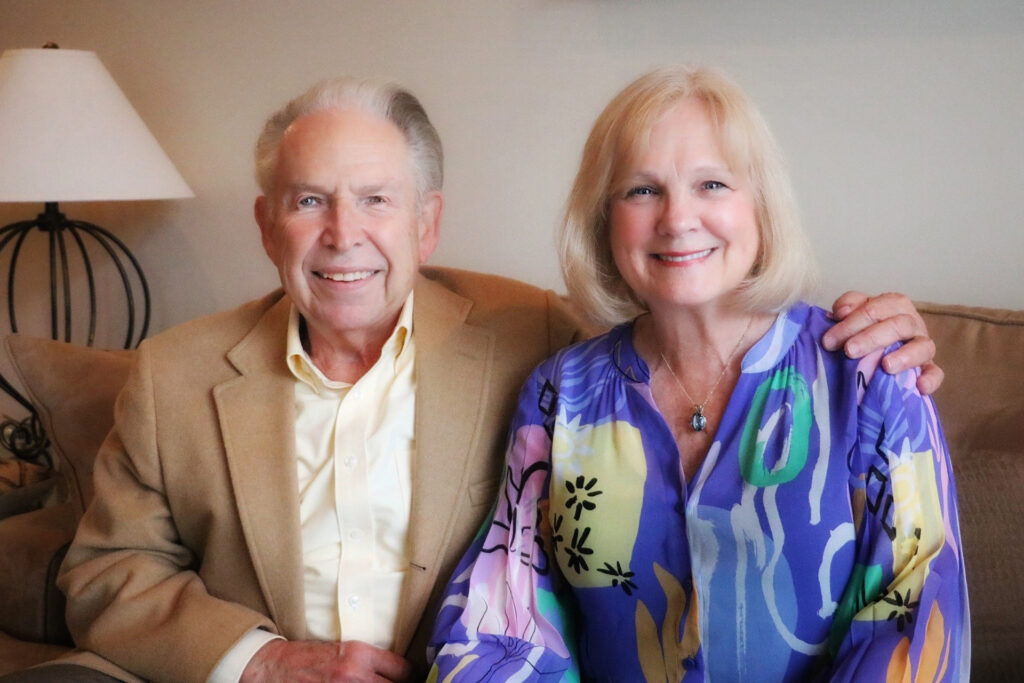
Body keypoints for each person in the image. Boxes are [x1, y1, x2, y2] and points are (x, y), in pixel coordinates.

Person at [31, 76, 940, 683]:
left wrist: (886, 340)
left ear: (428, 224)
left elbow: (915, 622)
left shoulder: (533, 339)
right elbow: (107, 571)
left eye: (377, 199)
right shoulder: (172, 375)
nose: (344, 233)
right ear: (268, 225)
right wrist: (265, 662)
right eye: (311, 201)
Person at [428, 66, 968, 681]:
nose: (678, 218)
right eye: (642, 190)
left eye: (711, 184)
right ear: (604, 221)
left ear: (761, 207)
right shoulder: (560, 397)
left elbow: (917, 620)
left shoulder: (870, 376)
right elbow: (504, 621)